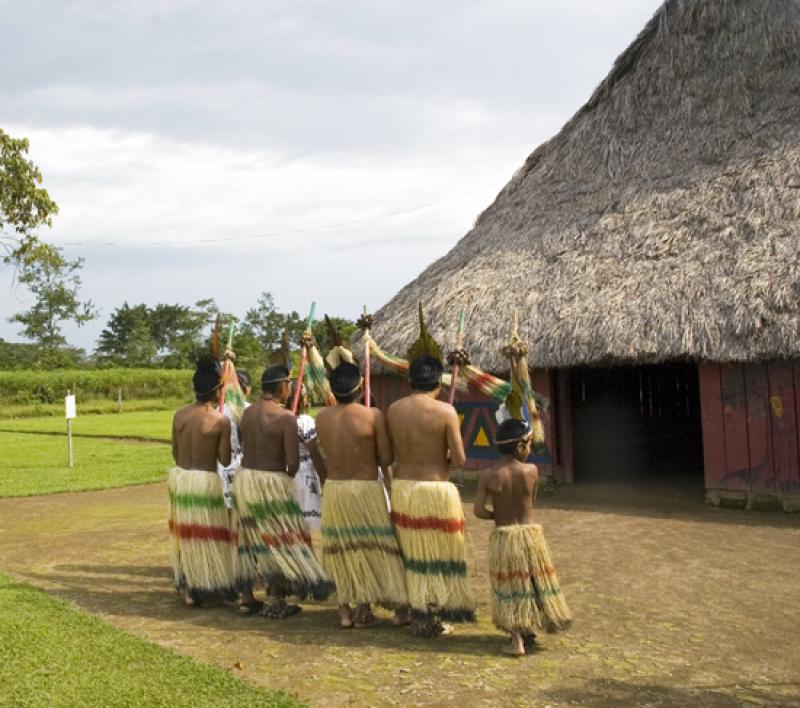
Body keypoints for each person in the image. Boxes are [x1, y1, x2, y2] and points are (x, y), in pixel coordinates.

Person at [232, 364, 333, 618]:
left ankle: (246, 595)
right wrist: (283, 482)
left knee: (250, 535)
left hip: (245, 480)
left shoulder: (248, 413)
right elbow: (292, 463)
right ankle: (275, 599)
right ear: (283, 386)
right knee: (279, 537)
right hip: (272, 481)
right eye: (289, 384)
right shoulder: (286, 417)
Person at [386, 354, 475, 637]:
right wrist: (444, 458)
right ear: (438, 382)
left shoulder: (394, 410)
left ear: (411, 381)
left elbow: (388, 455)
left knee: (410, 552)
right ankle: (430, 613)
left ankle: (411, 609)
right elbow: (460, 460)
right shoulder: (445, 412)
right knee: (437, 554)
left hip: (404, 490)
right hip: (436, 491)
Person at [315, 362, 409, 629]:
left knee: (340, 548)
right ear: (360, 387)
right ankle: (365, 605)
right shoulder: (373, 416)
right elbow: (386, 459)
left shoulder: (321, 418)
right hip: (366, 489)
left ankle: (345, 611)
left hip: (335, 490)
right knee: (371, 545)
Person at [474, 418, 571, 656]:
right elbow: (530, 500)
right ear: (520, 447)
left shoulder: (488, 475)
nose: (529, 449)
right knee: (533, 581)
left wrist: (496, 516)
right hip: (530, 536)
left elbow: (478, 511)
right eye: (528, 444)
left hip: (504, 536)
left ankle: (516, 638)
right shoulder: (531, 471)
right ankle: (535, 625)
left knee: (509, 584)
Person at [169, 355, 236, 606]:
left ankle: (188, 586)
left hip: (181, 479)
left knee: (186, 534)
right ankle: (207, 583)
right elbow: (225, 459)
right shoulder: (220, 421)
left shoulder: (179, 415)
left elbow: (175, 452)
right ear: (218, 390)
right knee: (208, 534)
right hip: (205, 481)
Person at [287, 382, 325, 530]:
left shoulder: (281, 419)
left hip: (287, 472)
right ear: (301, 398)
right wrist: (324, 478)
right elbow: (315, 454)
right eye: (305, 396)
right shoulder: (305, 422)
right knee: (309, 523)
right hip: (305, 475)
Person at [218, 369, 253, 510]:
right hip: (247, 469)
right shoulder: (252, 410)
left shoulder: (218, 410)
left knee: (229, 514)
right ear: (247, 389)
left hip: (225, 470)